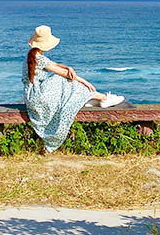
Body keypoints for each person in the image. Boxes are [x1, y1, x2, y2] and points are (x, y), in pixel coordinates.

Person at [22, 25, 125, 153]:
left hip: (32, 96)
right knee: (61, 79)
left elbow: (53, 64)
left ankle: (92, 98)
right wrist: (85, 82)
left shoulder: (33, 55)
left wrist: (68, 67)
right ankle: (103, 98)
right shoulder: (39, 58)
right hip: (38, 97)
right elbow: (63, 74)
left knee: (60, 80)